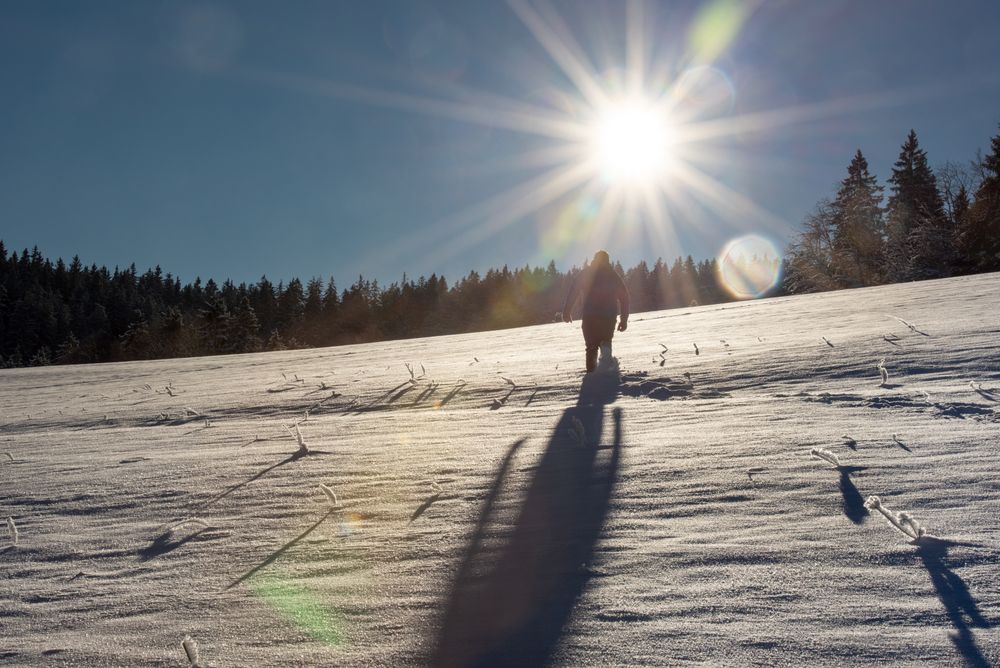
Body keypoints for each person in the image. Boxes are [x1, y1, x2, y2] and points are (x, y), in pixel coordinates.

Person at [562, 250, 630, 372]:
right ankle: (606, 373)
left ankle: (592, 377)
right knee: (605, 342)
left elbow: (574, 291)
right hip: (608, 318)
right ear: (607, 261)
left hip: (590, 317)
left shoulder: (587, 273)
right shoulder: (613, 276)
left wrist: (567, 311)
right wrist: (623, 320)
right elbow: (624, 298)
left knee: (591, 347)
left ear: (595, 259)